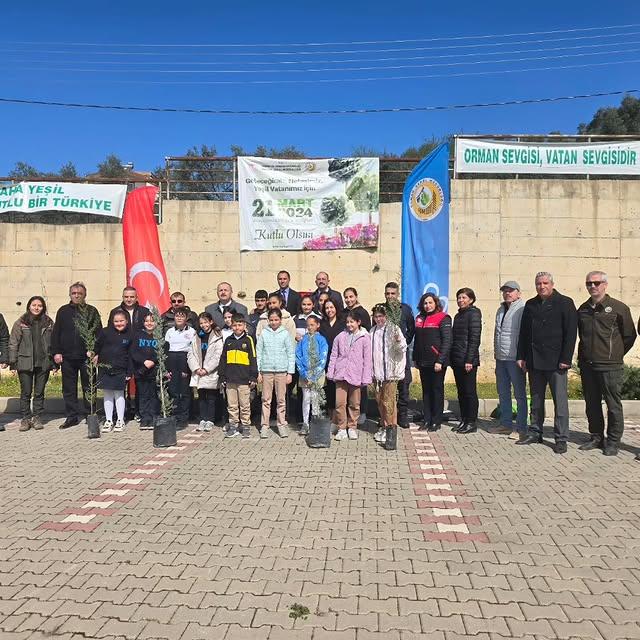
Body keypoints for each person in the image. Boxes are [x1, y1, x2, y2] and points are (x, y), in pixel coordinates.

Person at [517, 272, 578, 454]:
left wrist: (566, 359)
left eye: (545, 283)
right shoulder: (530, 304)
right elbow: (524, 334)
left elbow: (570, 333)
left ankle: (561, 438)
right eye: (538, 284)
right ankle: (535, 431)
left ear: (552, 284)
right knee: (536, 400)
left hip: (556, 361)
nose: (541, 286)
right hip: (535, 360)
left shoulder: (565, 303)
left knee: (560, 401)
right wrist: (521, 356)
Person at [577, 271, 637, 456]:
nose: (592, 286)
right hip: (588, 365)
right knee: (591, 403)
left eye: (596, 283)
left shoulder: (619, 308)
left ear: (605, 284)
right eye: (589, 283)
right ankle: (596, 437)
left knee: (613, 405)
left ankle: (613, 441)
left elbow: (629, 336)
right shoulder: (583, 309)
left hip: (610, 366)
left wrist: (615, 354)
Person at [51, 282, 102, 429]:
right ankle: (71, 417)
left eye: (80, 293)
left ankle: (89, 414)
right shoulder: (63, 311)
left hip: (86, 357)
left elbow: (98, 333)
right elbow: (56, 333)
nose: (76, 295)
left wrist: (95, 351)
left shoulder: (92, 311)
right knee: (68, 388)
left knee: (89, 387)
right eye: (74, 293)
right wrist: (56, 352)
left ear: (85, 295)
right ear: (70, 294)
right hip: (67, 357)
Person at [7, 296, 54, 432]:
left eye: (39, 305)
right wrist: (13, 362)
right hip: (24, 362)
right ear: (29, 306)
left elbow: (53, 343)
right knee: (26, 392)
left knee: (39, 393)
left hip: (43, 362)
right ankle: (26, 419)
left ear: (43, 307)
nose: (36, 308)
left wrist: (54, 363)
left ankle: (37, 417)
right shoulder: (21, 322)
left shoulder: (49, 322)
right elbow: (13, 343)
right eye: (34, 305)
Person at [327, 310, 372, 441]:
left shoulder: (365, 337)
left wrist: (366, 377)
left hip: (356, 375)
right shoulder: (340, 337)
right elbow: (334, 355)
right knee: (340, 403)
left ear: (358, 322)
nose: (349, 324)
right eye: (347, 322)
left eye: (352, 322)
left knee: (354, 403)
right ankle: (341, 428)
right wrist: (331, 371)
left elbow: (367, 359)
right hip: (341, 374)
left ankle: (352, 427)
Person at [413, 293, 452, 433]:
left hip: (437, 362)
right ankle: (427, 419)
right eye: (425, 303)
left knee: (436, 391)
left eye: (430, 303)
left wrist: (440, 360)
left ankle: (436, 421)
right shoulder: (419, 318)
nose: (427, 306)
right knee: (426, 392)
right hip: (423, 362)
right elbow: (417, 341)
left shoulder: (443, 317)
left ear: (435, 303)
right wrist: (415, 358)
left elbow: (447, 341)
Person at [370, 304, 407, 451]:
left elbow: (402, 348)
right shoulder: (372, 331)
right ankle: (385, 426)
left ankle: (392, 429)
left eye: (381, 316)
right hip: (377, 374)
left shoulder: (393, 329)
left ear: (386, 317)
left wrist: (398, 341)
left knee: (389, 403)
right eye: (376, 316)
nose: (378, 319)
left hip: (390, 373)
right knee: (380, 401)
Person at [494, 281, 527, 440]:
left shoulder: (522, 309)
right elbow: (497, 333)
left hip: (515, 358)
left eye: (511, 291)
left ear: (518, 293)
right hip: (501, 357)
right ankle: (506, 424)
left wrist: (522, 356)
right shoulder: (501, 309)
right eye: (505, 291)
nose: (507, 293)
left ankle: (521, 427)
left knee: (519, 394)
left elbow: (524, 334)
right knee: (503, 392)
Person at [257, 309, 296, 439]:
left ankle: (281, 424)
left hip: (281, 371)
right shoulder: (263, 333)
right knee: (266, 399)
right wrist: (259, 371)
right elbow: (259, 353)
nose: (274, 322)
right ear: (268, 320)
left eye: (276, 320)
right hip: (267, 371)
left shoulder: (285, 334)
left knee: (281, 400)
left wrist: (290, 372)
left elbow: (290, 353)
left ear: (280, 320)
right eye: (271, 320)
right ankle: (264, 425)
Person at [218, 314, 258, 439]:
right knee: (232, 405)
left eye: (240, 325)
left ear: (244, 326)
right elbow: (223, 359)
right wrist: (222, 376)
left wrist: (253, 376)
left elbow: (253, 359)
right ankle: (233, 426)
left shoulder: (249, 340)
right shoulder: (228, 341)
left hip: (244, 379)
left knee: (245, 404)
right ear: (231, 326)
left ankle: (246, 426)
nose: (237, 327)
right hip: (230, 379)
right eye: (234, 325)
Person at [93, 310, 132, 433]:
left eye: (121, 321)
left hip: (121, 369)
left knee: (119, 394)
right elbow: (97, 346)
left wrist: (129, 372)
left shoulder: (130, 335)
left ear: (126, 321)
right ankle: (109, 420)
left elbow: (131, 355)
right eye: (116, 321)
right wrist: (94, 353)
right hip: (105, 368)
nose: (119, 323)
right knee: (107, 394)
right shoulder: (105, 332)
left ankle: (120, 420)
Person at [451, 287, 482, 435]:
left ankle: (471, 421)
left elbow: (474, 338)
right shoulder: (458, 316)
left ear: (471, 299)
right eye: (459, 298)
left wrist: (469, 359)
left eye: (464, 298)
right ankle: (464, 419)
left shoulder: (474, 314)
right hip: (457, 359)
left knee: (469, 392)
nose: (461, 300)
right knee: (461, 392)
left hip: (468, 360)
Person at [384, 282, 415, 428]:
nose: (390, 296)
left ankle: (402, 416)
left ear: (397, 294)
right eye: (387, 293)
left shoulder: (406, 310)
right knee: (387, 386)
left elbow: (411, 329)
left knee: (404, 384)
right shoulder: (382, 309)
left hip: (402, 353)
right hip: (386, 354)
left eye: (392, 293)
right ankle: (387, 416)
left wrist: (404, 343)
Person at [187, 312, 224, 433]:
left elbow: (217, 355)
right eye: (201, 323)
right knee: (201, 396)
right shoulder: (196, 336)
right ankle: (203, 418)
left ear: (211, 322)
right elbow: (191, 353)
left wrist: (207, 369)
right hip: (198, 371)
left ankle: (211, 419)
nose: (203, 325)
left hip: (210, 372)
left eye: (206, 322)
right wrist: (196, 368)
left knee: (212, 397)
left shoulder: (217, 336)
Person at [295, 315, 329, 436]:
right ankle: (305, 423)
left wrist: (314, 376)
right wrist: (304, 374)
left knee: (315, 399)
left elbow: (323, 358)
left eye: (312, 325)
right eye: (307, 325)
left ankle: (315, 422)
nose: (309, 327)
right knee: (306, 399)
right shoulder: (303, 340)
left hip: (317, 375)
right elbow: (298, 356)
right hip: (305, 375)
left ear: (317, 325)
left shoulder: (322, 340)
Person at [165, 308, 196, 429]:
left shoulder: (192, 331)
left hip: (184, 360)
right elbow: (166, 349)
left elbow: (192, 349)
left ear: (186, 318)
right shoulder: (169, 332)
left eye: (182, 316)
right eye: (177, 316)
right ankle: (174, 415)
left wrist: (186, 368)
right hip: (172, 360)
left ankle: (184, 418)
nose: (179, 318)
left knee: (184, 391)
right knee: (173, 390)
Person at [344, 287, 372, 425]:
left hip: (359, 354)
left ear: (356, 296)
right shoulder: (345, 312)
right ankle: (348, 414)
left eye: (351, 297)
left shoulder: (362, 313)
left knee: (361, 385)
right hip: (347, 354)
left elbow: (366, 333)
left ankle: (362, 412)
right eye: (346, 297)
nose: (349, 300)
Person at [129, 313, 160, 431]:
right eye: (147, 321)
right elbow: (133, 352)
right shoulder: (138, 335)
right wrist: (143, 361)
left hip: (154, 371)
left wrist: (152, 361)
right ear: (143, 323)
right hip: (141, 371)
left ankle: (153, 417)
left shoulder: (159, 336)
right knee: (143, 395)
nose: (149, 323)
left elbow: (162, 350)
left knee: (153, 395)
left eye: (152, 321)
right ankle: (144, 418)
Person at [320, 299, 346, 426]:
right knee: (328, 389)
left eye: (331, 307)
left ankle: (339, 418)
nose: (329, 310)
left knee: (339, 390)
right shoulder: (322, 324)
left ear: (336, 308)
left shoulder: (342, 323)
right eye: (327, 308)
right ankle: (330, 417)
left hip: (340, 361)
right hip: (326, 360)